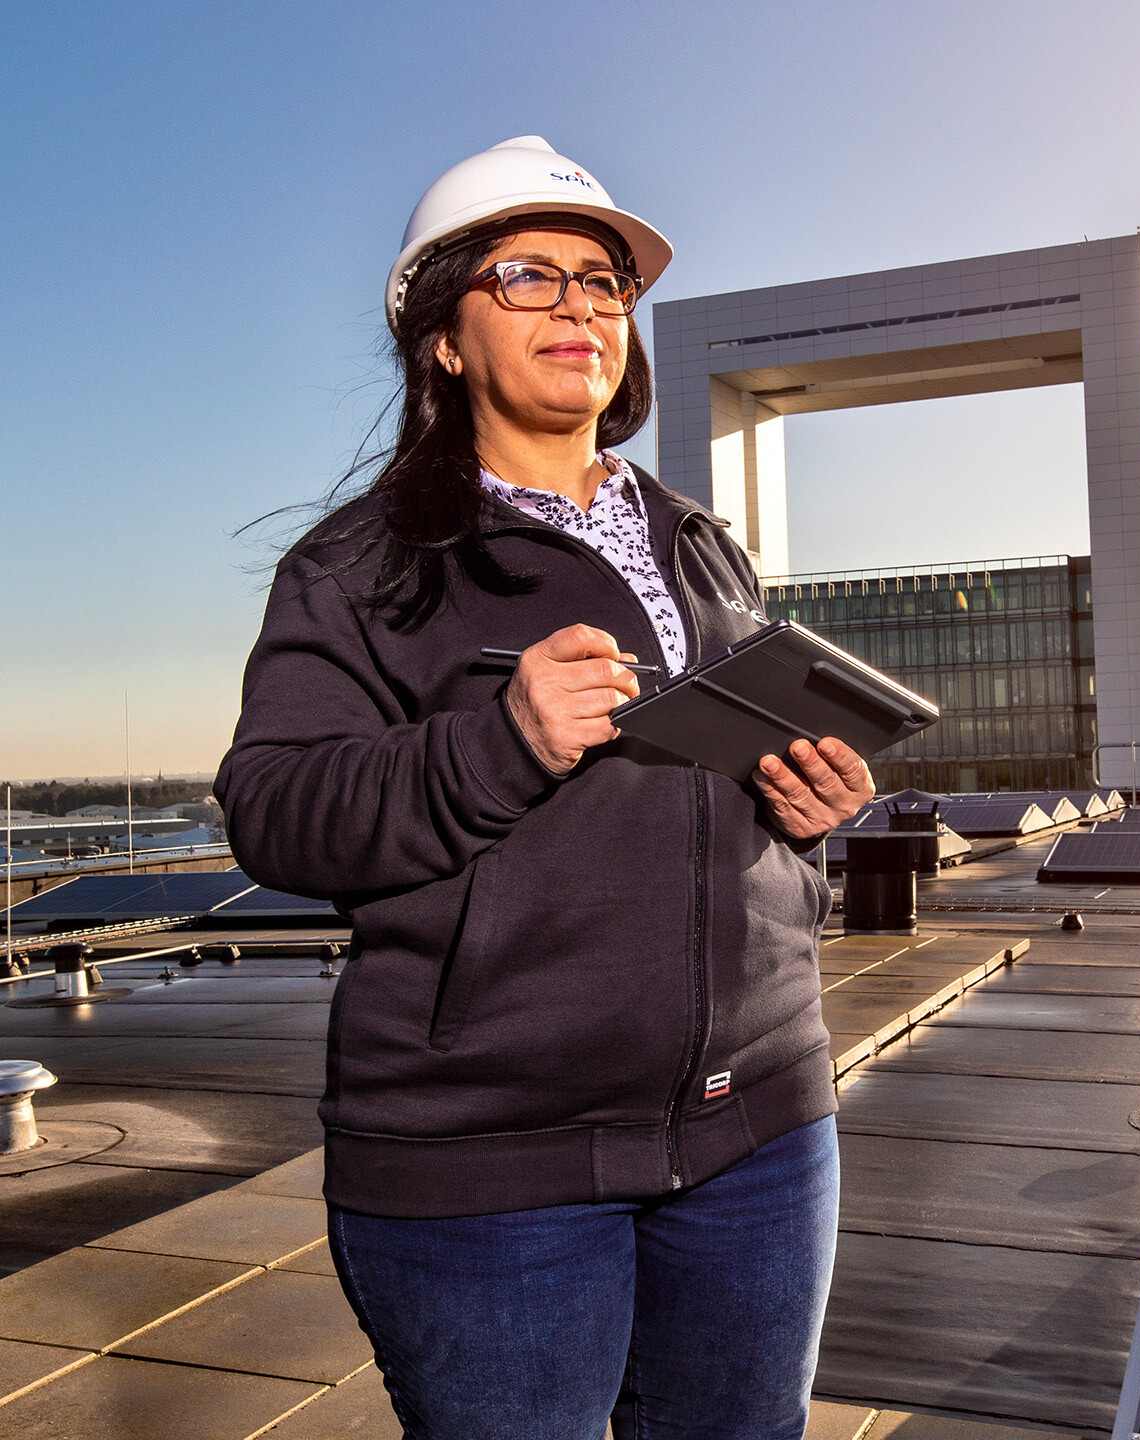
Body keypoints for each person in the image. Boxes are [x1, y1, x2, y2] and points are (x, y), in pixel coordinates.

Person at [215, 136, 875, 1440]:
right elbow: (274, 810)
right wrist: (498, 743)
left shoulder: (702, 543)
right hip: (492, 1172)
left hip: (760, 1132)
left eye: (604, 282)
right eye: (529, 276)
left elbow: (716, 804)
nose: (582, 305)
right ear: (442, 338)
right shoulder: (359, 567)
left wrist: (804, 826)